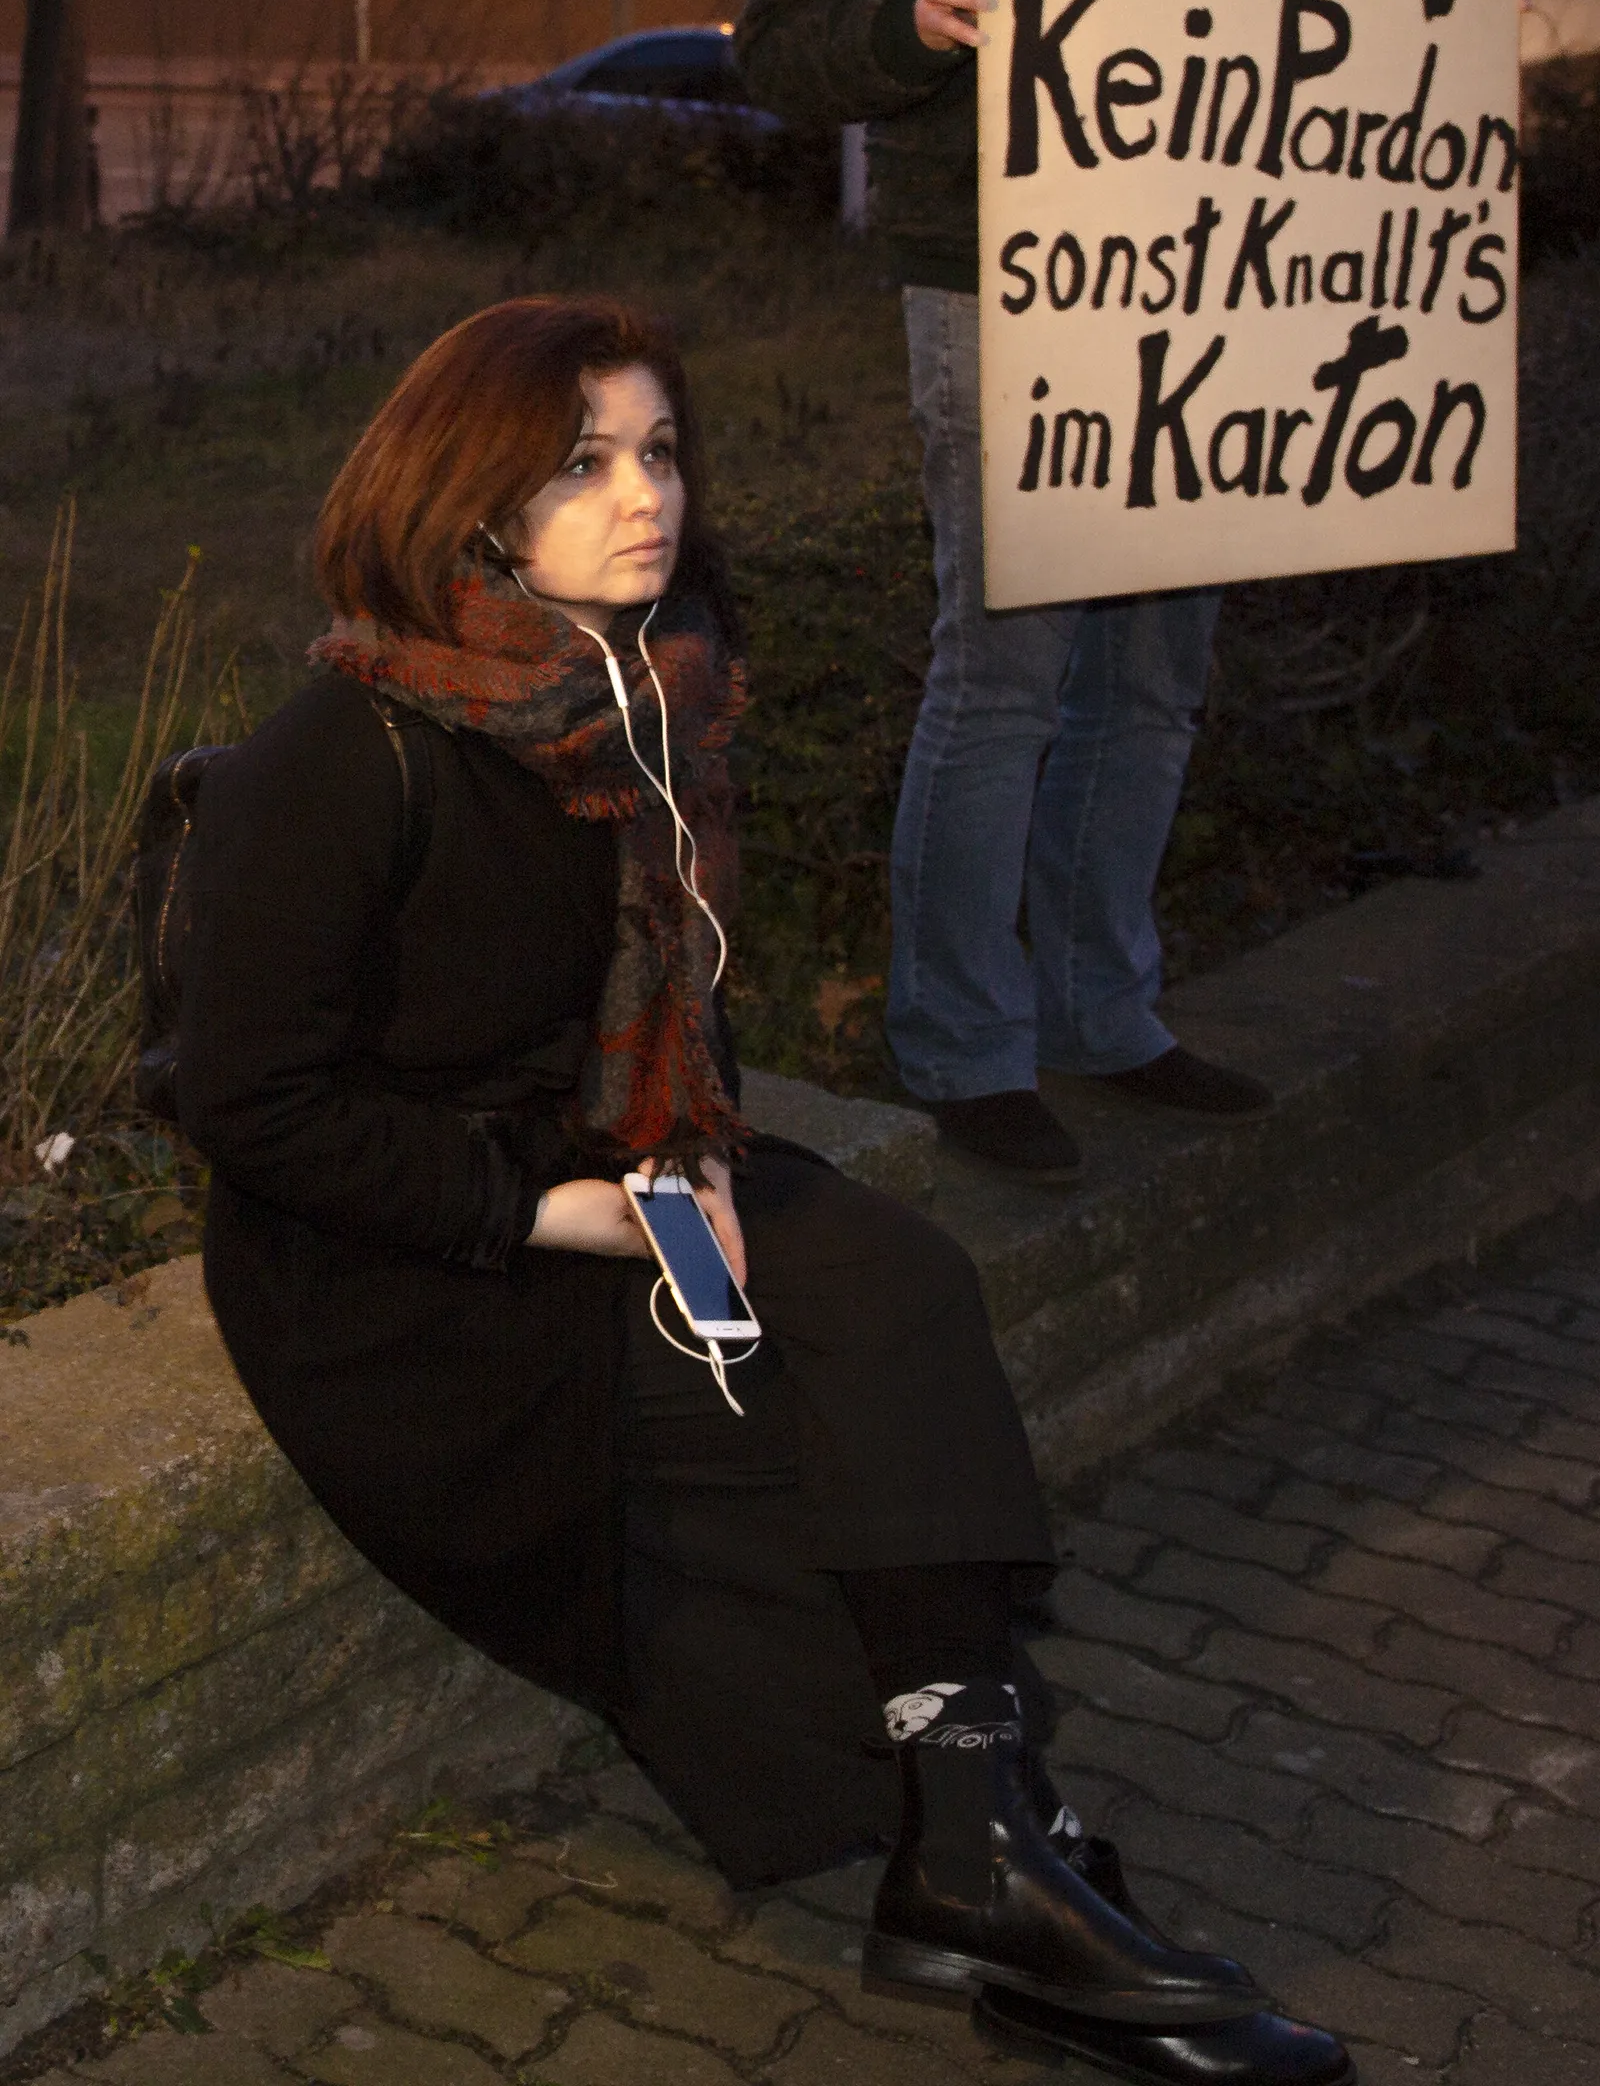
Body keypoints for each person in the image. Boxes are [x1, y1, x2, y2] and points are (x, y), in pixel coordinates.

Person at [176, 296, 1348, 2076]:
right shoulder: (348, 753)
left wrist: (674, 1162)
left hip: (610, 1158)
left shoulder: (650, 703)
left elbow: (653, 1016)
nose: (643, 493)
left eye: (659, 450)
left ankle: (972, 1842)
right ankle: (988, 1849)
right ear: (470, 502)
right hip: (400, 1259)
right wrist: (551, 1209)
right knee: (748, 1430)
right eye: (583, 462)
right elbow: (248, 1107)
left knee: (897, 1279)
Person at [735, 0, 1540, 1187]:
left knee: (1159, 675)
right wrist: (910, 19)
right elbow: (780, 45)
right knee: (1008, 672)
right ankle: (965, 1047)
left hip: (1217, 268)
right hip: (1006, 283)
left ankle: (1103, 1014)